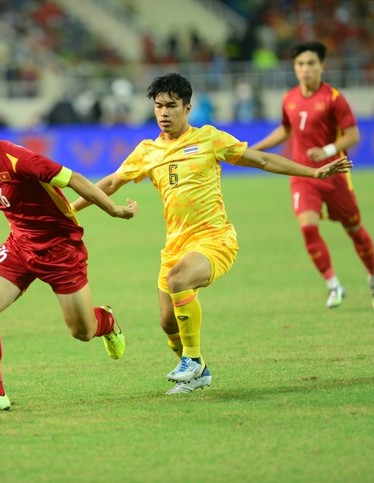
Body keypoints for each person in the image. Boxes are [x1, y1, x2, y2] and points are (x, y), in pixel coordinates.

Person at [72, 73, 351, 395]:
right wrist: (70, 209)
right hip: (175, 244)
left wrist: (313, 172)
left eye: (171, 106)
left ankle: (191, 359)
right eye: (158, 106)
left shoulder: (209, 139)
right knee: (167, 323)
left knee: (179, 281)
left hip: (215, 238)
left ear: (187, 108)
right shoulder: (147, 151)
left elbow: (262, 159)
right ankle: (199, 372)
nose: (163, 112)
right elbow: (109, 183)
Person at [0, 106, 138, 415]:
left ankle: (106, 321)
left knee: (82, 332)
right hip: (20, 246)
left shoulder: (20, 160)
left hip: (61, 249)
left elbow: (74, 178)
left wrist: (114, 210)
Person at [251, 41, 374, 310]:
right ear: (294, 68)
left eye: (311, 64)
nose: (305, 69)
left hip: (335, 173)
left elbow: (353, 135)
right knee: (308, 227)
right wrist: (254, 149)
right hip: (303, 174)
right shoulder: (289, 98)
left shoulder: (334, 98)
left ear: (322, 66)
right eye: (300, 64)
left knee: (355, 230)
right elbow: (285, 130)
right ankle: (333, 285)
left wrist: (326, 149)